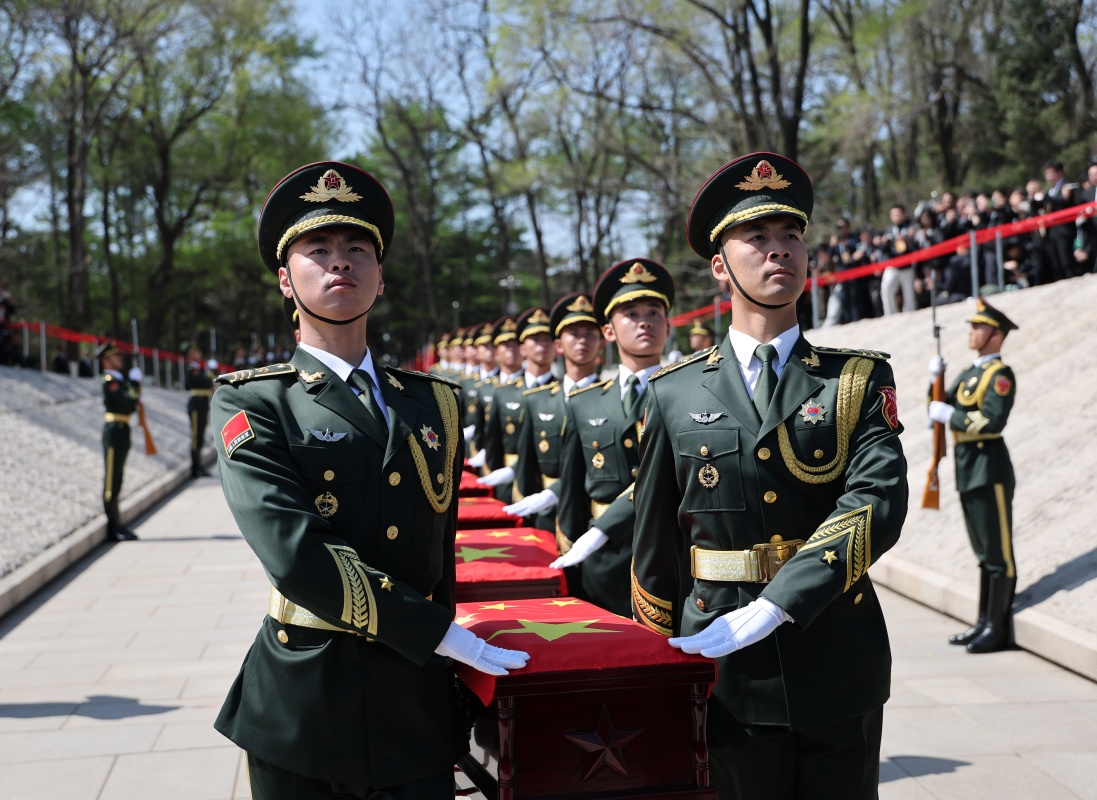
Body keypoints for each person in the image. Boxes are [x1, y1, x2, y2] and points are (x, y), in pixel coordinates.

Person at [210, 160, 528, 800]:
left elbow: (439, 555)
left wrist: (448, 664)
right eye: (318, 249)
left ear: (380, 278)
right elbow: (294, 554)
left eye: (358, 249)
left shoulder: (433, 402)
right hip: (307, 703)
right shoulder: (254, 401)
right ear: (285, 280)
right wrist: (435, 633)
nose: (340, 261)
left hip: (415, 701)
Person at [631, 153, 908, 799]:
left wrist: (781, 601)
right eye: (756, 237)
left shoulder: (855, 379)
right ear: (720, 266)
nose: (779, 249)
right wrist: (655, 666)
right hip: (723, 658)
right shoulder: (673, 393)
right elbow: (654, 549)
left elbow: (877, 498)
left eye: (791, 235)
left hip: (836, 651)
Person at [552, 258, 675, 617]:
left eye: (654, 313)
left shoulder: (689, 392)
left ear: (668, 326)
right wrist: (571, 557)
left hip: (669, 552)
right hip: (601, 562)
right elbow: (572, 494)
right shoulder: (583, 402)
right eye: (631, 314)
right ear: (608, 332)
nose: (644, 322)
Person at [928, 296, 1019, 654]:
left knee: (999, 552)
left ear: (996, 334)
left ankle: (998, 628)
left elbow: (992, 421)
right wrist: (934, 381)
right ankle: (983, 621)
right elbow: (940, 407)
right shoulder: (970, 373)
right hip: (967, 466)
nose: (971, 332)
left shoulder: (1000, 376)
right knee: (983, 551)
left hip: (988, 466)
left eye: (978, 327)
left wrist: (950, 416)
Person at [503, 292, 605, 544]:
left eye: (590, 334)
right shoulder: (537, 400)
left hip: (599, 517)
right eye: (574, 334)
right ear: (558, 345)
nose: (582, 341)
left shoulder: (613, 401)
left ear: (602, 342)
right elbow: (527, 468)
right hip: (546, 517)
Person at [477, 307, 556, 502]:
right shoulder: (503, 393)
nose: (542, 346)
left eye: (546, 339)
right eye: (535, 340)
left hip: (551, 487)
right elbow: (493, 445)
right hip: (507, 485)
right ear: (523, 349)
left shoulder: (563, 393)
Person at [98, 341, 141, 541]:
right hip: (114, 430)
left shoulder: (120, 381)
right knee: (111, 480)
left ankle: (118, 524)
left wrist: (133, 385)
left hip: (123, 429)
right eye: (116, 356)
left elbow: (132, 404)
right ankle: (113, 526)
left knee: (118, 478)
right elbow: (127, 401)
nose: (120, 359)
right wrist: (134, 384)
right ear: (106, 360)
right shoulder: (109, 381)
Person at [183, 343, 216, 478]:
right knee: (196, 436)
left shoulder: (198, 368)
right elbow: (203, 381)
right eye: (195, 352)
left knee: (200, 435)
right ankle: (195, 468)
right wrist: (210, 373)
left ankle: (198, 466)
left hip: (202, 403)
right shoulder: (192, 368)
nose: (198, 354)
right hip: (196, 403)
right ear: (191, 355)